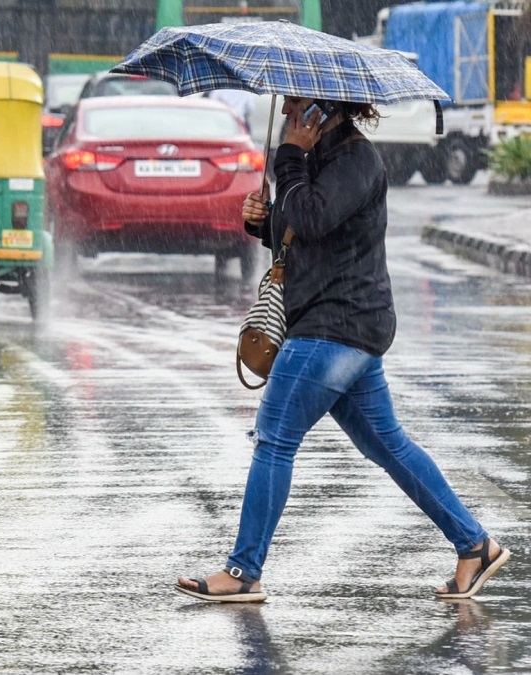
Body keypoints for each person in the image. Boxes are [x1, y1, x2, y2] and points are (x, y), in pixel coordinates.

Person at [176, 96, 510, 603]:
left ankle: (243, 572)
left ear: (322, 107)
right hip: (340, 323)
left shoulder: (356, 159)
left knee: (275, 437)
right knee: (388, 446)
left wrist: (288, 156)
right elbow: (308, 235)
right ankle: (474, 545)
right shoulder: (320, 158)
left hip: (337, 326)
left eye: (296, 98)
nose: (286, 105)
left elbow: (312, 219)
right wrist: (262, 221)